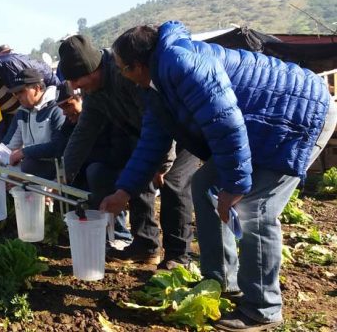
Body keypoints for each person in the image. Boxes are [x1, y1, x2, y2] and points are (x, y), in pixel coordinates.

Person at [106, 21, 337, 331]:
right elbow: (152, 141)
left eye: (122, 68)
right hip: (260, 125)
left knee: (255, 208)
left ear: (138, 65)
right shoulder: (157, 85)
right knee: (203, 184)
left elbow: (226, 123)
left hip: (300, 115)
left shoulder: (181, 65)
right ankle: (222, 280)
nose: (122, 75)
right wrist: (124, 191)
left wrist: (235, 186)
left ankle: (262, 308)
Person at [59, 34, 199, 268]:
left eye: (76, 79)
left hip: (180, 131)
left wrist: (162, 165)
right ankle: (145, 245)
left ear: (93, 69)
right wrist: (66, 171)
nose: (73, 87)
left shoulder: (125, 75)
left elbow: (159, 118)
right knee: (135, 178)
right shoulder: (93, 93)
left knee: (173, 184)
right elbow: (83, 133)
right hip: (147, 137)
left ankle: (177, 257)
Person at [56, 83, 133, 246]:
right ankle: (86, 229)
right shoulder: (71, 121)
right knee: (71, 177)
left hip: (115, 166)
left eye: (68, 105)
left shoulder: (106, 115)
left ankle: (119, 235)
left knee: (97, 173)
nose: (65, 112)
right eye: (61, 107)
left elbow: (117, 152)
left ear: (82, 99)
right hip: (90, 166)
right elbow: (60, 144)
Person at [4, 68, 67, 179]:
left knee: (27, 166)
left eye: (21, 91)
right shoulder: (21, 112)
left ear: (37, 89)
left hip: (57, 169)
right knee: (6, 173)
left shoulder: (57, 107)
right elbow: (8, 145)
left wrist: (24, 152)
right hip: (31, 165)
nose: (17, 96)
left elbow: (58, 146)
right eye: (15, 93)